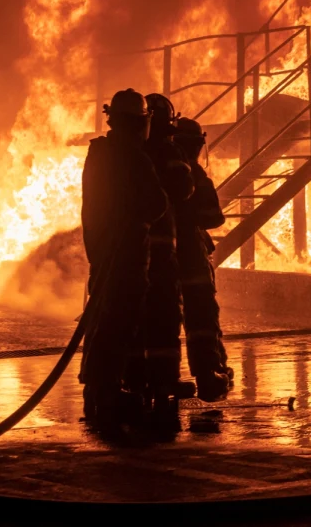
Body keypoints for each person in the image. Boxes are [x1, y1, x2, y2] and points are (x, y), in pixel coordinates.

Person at [79, 89, 168, 431]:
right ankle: (108, 388)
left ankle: (97, 384)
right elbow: (156, 204)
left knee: (102, 316)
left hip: (101, 249)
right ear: (139, 124)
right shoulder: (133, 157)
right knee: (119, 320)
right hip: (126, 253)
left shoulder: (98, 153)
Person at [142, 93, 195, 416]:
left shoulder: (130, 152)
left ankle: (132, 379)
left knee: (133, 316)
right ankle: (164, 380)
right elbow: (184, 189)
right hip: (161, 253)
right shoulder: (168, 151)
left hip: (128, 251)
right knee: (164, 317)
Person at [172, 117, 231, 402]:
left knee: (162, 318)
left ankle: (160, 379)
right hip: (190, 256)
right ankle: (208, 374)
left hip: (155, 257)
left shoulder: (149, 166)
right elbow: (215, 216)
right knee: (201, 314)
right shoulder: (191, 173)